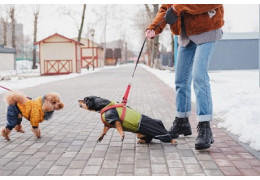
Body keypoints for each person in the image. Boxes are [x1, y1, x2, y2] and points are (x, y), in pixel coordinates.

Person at [145, 4, 224, 150]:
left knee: (199, 76)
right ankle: (182, 121)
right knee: (181, 80)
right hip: (185, 34)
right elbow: (166, 8)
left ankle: (205, 126)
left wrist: (178, 8)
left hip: (206, 28)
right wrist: (154, 28)